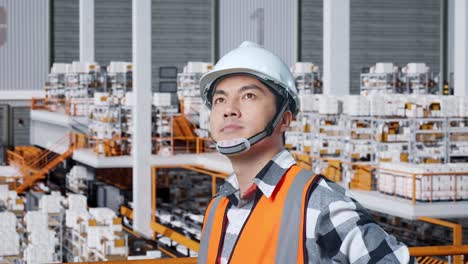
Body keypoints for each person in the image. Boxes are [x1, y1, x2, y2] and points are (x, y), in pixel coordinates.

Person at [197, 41, 415, 264]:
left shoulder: (319, 204)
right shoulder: (218, 206)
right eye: (220, 99)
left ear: (284, 119)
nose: (229, 109)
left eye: (248, 96)